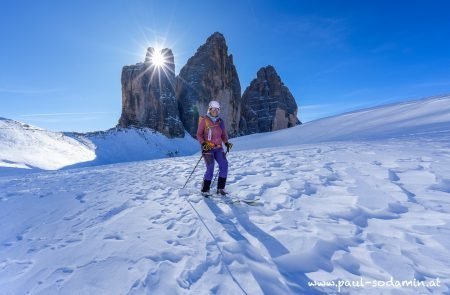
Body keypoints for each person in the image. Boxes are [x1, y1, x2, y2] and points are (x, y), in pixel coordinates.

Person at [196, 100, 233, 196]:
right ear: (209, 109)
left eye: (217, 109)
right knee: (210, 168)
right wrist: (203, 143)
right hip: (208, 148)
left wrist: (226, 143)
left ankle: (221, 188)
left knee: (224, 165)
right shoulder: (204, 120)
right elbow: (199, 134)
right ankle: (205, 189)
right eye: (213, 109)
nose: (215, 111)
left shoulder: (220, 122)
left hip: (219, 148)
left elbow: (224, 134)